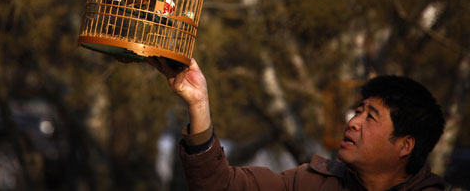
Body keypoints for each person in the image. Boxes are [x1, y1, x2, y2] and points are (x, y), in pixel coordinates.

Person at [149, 57, 447, 191]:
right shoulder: (312, 182)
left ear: (405, 146)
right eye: (358, 111)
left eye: (370, 117)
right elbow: (222, 186)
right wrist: (199, 104)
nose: (353, 123)